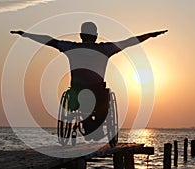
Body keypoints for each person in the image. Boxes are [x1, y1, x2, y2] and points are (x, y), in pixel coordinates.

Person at [11, 22, 167, 141]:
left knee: (85, 102)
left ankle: (90, 128)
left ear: (81, 35)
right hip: (97, 92)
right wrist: (151, 35)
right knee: (102, 102)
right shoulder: (105, 49)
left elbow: (48, 41)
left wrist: (25, 34)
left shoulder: (70, 47)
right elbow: (130, 41)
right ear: (96, 35)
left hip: (76, 92)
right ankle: (93, 129)